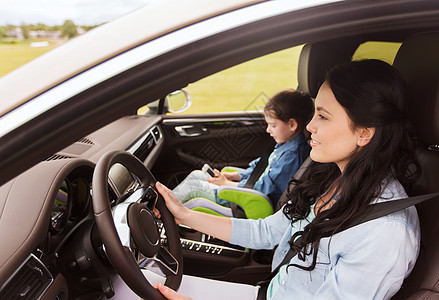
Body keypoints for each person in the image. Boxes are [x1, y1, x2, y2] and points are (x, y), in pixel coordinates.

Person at [145, 59, 420, 300]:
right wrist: (184, 215)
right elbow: (266, 232)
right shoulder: (331, 178)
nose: (310, 126)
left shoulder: (384, 232)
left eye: (323, 116)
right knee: (143, 284)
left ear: (364, 133)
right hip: (267, 292)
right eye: (314, 112)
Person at [172, 89, 313, 208]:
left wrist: (227, 184)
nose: (268, 130)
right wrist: (235, 176)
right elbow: (260, 168)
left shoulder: (291, 156)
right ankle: (162, 207)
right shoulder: (285, 145)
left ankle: (160, 212)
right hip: (248, 192)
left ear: (292, 125)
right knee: (197, 175)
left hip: (250, 201)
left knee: (192, 189)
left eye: (273, 125)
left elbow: (263, 188)